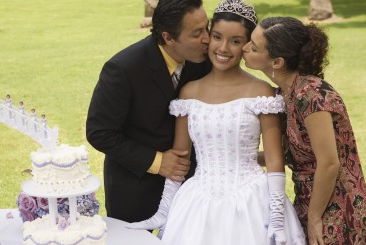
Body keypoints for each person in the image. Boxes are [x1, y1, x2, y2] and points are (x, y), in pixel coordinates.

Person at [128, 1, 307, 244]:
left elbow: (275, 160)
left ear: (247, 46)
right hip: (198, 203)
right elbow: (180, 157)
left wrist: (276, 215)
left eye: (235, 41)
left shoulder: (260, 91)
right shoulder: (188, 93)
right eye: (217, 37)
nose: (224, 48)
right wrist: (165, 210)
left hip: (251, 202)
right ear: (208, 37)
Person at [242, 16, 366, 245]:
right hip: (309, 201)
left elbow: (329, 163)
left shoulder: (310, 95)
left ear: (277, 62)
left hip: (337, 206)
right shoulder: (283, 94)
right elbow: (286, 153)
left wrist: (315, 217)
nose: (244, 48)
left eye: (253, 46)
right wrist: (239, 159)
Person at [86, 0, 211, 223]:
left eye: (207, 27)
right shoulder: (123, 68)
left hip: (193, 187)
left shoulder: (204, 61)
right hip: (134, 188)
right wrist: (157, 161)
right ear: (168, 37)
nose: (207, 39)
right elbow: (99, 132)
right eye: (197, 33)